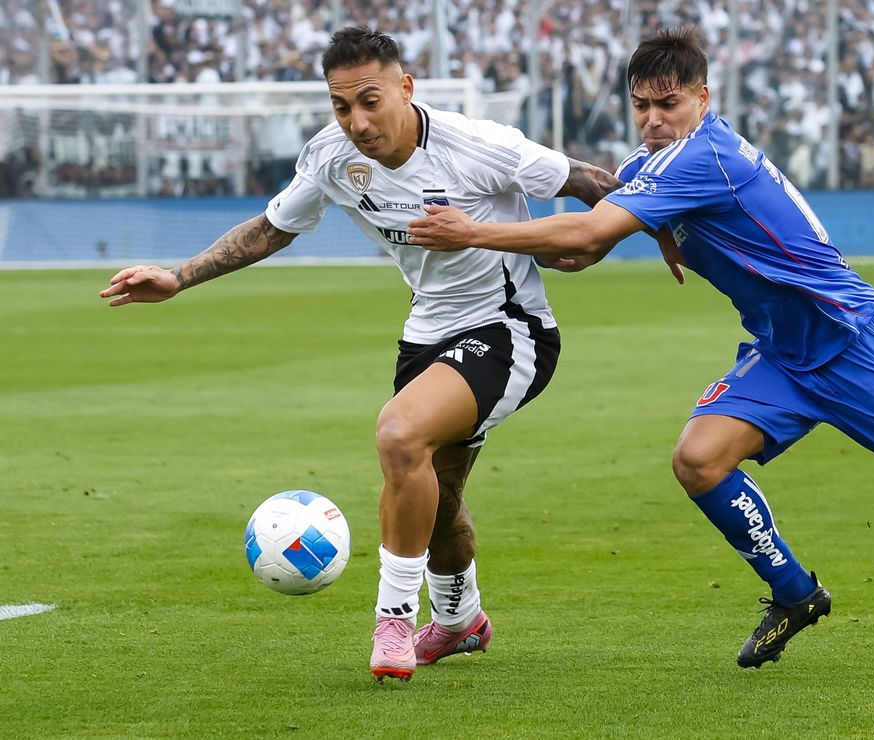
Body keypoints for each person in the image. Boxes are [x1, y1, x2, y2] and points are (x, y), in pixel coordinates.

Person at [409, 27, 874, 681]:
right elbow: (598, 223)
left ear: (704, 98)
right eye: (641, 104)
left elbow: (584, 235)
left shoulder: (708, 157)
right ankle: (795, 592)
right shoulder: (659, 168)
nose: (653, 119)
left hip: (855, 344)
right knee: (699, 460)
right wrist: (621, 233)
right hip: (783, 354)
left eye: (668, 104)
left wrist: (472, 229)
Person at [99, 26, 623, 683]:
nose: (357, 120)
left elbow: (596, 184)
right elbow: (271, 228)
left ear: (405, 87)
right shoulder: (330, 157)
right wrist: (179, 277)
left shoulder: (480, 145)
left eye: (370, 101)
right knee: (435, 499)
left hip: (510, 328)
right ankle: (461, 623)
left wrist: (661, 237)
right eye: (341, 106)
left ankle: (394, 621)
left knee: (400, 436)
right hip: (426, 335)